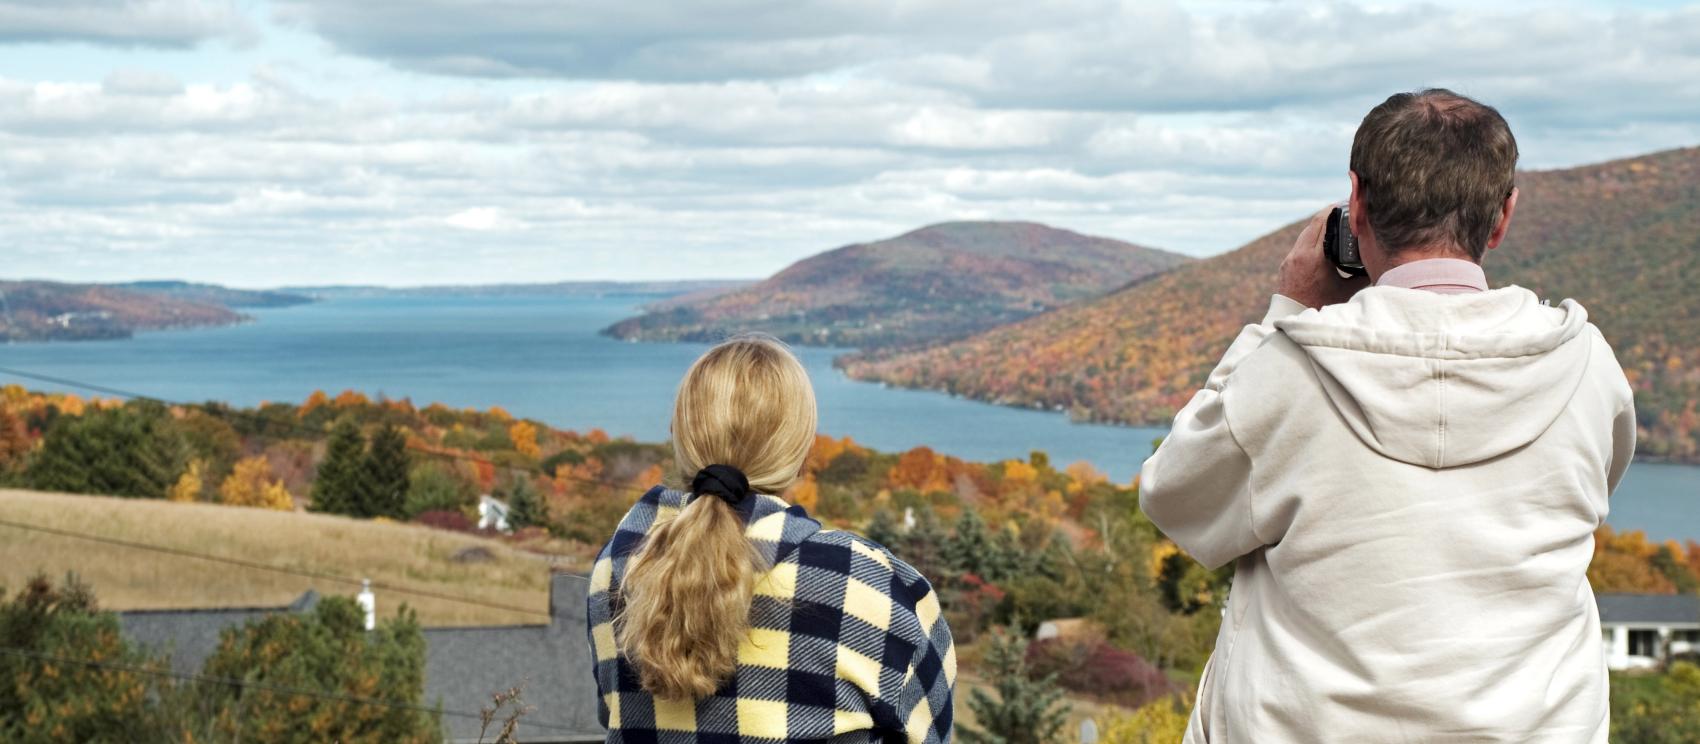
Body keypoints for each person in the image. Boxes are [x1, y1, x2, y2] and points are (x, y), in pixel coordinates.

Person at [1139, 89, 1636, 742]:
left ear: (1358, 201)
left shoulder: (1292, 369)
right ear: (1503, 214)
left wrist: (1287, 311)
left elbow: (1176, 498)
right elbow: (1597, 487)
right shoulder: (1586, 365)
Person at [586, 334, 956, 743]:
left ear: (676, 434)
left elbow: (613, 713)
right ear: (803, 452)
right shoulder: (869, 585)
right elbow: (931, 731)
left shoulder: (620, 567)